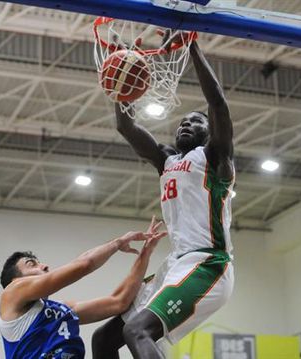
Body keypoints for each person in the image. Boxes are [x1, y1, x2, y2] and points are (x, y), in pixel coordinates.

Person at [92, 35, 235, 359]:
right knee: (103, 339)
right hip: (177, 264)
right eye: (183, 121)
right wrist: (119, 86)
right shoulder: (166, 160)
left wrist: (191, 46)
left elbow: (218, 105)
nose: (187, 123)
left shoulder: (215, 158)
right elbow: (125, 127)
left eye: (196, 122)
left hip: (208, 264)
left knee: (136, 331)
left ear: (209, 132)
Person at [0, 217, 166, 359]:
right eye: (31, 264)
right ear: (14, 280)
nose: (44, 266)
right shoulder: (12, 293)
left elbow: (118, 301)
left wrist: (146, 252)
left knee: (102, 339)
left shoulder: (61, 310)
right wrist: (118, 242)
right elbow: (84, 264)